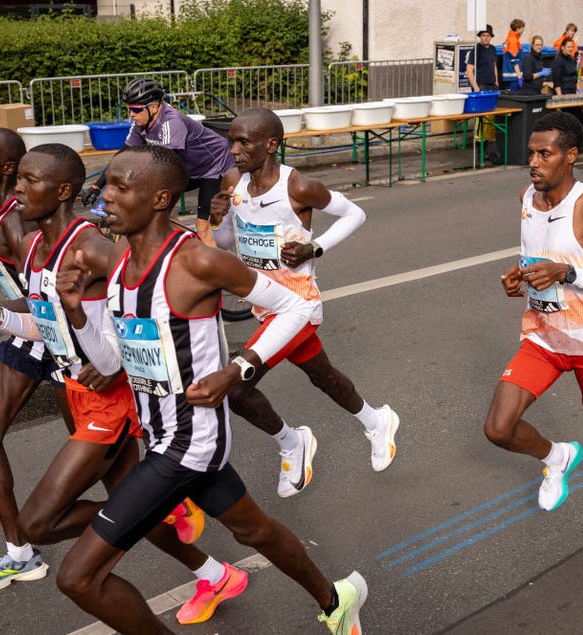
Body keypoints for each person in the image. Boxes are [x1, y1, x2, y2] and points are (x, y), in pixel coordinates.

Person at [51, 143, 368, 634]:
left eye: (119, 186)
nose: (105, 196)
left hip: (188, 443)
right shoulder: (116, 266)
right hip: (157, 434)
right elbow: (112, 361)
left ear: (159, 199)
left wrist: (238, 367)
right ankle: (337, 597)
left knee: (77, 578)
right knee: (252, 529)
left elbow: (297, 308)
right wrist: (75, 312)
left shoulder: (197, 262)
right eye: (105, 185)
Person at [0, 143, 240, 626]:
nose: (17, 188)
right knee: (124, 495)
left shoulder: (94, 248)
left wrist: (119, 366)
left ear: (62, 191)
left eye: (28, 180)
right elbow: (51, 328)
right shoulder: (32, 244)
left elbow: (141, 310)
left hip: (111, 402)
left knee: (37, 522)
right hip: (74, 389)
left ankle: (164, 507)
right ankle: (213, 571)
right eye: (16, 179)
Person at [208, 108, 400, 498]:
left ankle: (293, 443)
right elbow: (230, 244)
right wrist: (219, 221)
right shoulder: (232, 182)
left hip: (298, 306)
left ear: (271, 144)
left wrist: (315, 246)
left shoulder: (298, 187)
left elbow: (355, 213)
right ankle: (376, 420)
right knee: (322, 375)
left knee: (236, 389)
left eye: (244, 142)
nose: (235, 150)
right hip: (264, 303)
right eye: (232, 141)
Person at [483, 111, 583, 532]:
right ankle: (556, 457)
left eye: (545, 154)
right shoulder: (527, 199)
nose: (534, 162)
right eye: (531, 153)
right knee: (498, 429)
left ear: (570, 155)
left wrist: (567, 273)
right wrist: (517, 277)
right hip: (542, 334)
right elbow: (534, 255)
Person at [0, 128, 73, 593]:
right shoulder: (6, 215)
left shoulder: (15, 220)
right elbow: (25, 277)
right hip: (35, 336)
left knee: (108, 455)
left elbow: (45, 300)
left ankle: (181, 509)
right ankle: (20, 553)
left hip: (56, 338)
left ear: (6, 168)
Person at [80, 78, 234, 240]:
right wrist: (97, 186)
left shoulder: (171, 122)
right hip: (188, 168)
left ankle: (209, 263)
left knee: (203, 227)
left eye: (135, 109)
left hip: (213, 167)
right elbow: (122, 157)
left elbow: (164, 167)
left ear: (153, 107)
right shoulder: (141, 122)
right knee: (161, 213)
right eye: (129, 109)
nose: (132, 114)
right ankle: (178, 249)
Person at [466, 25, 502, 164]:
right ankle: (480, 149)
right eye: (483, 35)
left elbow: (494, 65)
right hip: (481, 86)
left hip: (492, 85)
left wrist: (497, 81)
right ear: (480, 37)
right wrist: (475, 87)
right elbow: (469, 70)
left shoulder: (492, 49)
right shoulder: (476, 50)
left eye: (488, 35)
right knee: (482, 120)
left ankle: (488, 149)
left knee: (491, 119)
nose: (486, 38)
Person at [502, 19, 526, 91]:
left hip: (509, 76)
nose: (523, 31)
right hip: (514, 77)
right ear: (518, 28)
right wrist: (519, 77)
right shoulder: (513, 41)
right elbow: (514, 60)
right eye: (522, 28)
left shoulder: (508, 39)